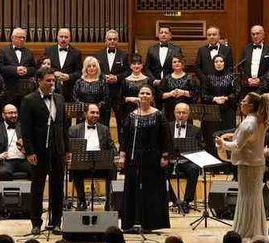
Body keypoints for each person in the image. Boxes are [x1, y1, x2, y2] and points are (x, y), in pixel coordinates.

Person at [20, 68, 71, 234]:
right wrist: (29, 152)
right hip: (39, 151)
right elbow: (26, 129)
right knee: (37, 188)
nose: (51, 83)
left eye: (53, 81)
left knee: (57, 188)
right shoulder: (29, 100)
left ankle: (56, 222)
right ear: (39, 81)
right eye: (48, 80)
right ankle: (36, 222)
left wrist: (67, 149)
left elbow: (64, 126)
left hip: (58, 150)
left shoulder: (59, 98)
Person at [117, 86, 169, 231]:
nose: (144, 95)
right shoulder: (131, 116)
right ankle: (132, 222)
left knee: (151, 190)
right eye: (142, 93)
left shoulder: (159, 115)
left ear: (152, 97)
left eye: (147, 93)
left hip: (153, 158)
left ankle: (150, 223)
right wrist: (122, 155)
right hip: (134, 157)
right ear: (138, 96)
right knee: (132, 188)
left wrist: (165, 156)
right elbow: (125, 137)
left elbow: (165, 137)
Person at [221, 93, 269, 238]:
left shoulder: (248, 123)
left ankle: (245, 229)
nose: (241, 103)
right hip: (257, 163)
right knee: (254, 197)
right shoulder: (261, 119)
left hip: (248, 164)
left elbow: (237, 146)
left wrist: (222, 143)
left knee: (246, 196)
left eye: (244, 101)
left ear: (251, 106)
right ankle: (255, 228)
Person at [70, 103, 117, 210]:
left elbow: (112, 147)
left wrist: (113, 154)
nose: (95, 115)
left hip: (101, 165)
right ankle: (81, 201)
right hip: (82, 164)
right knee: (76, 168)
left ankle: (109, 201)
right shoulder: (74, 129)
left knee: (112, 168)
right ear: (85, 114)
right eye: (92, 112)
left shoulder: (104, 129)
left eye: (97, 113)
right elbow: (70, 148)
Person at [167, 103, 204, 214]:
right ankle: (174, 200)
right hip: (170, 161)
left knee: (194, 169)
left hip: (186, 161)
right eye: (178, 112)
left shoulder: (196, 129)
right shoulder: (167, 127)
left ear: (188, 114)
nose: (181, 115)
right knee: (159, 171)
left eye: (184, 113)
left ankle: (187, 201)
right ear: (174, 113)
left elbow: (200, 147)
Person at [202, 54, 241, 155]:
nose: (219, 64)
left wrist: (226, 98)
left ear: (225, 63)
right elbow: (203, 95)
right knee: (213, 136)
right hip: (212, 112)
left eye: (221, 61)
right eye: (216, 62)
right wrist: (215, 98)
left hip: (228, 110)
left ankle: (227, 160)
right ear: (213, 64)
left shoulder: (232, 76)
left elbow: (237, 93)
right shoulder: (208, 77)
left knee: (227, 135)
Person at [0, 104, 31, 181]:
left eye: (15, 113)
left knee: (38, 170)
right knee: (3, 173)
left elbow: (32, 142)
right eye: (10, 113)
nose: (14, 115)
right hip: (5, 162)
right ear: (3, 115)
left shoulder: (23, 127)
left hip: (23, 160)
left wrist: (27, 149)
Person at [93, 29, 128, 129]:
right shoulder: (98, 55)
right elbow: (94, 71)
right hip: (102, 93)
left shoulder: (124, 55)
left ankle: (122, 140)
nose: (112, 41)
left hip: (118, 93)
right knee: (103, 122)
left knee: (121, 122)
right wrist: (104, 77)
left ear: (117, 41)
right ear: (106, 40)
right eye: (110, 39)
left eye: (114, 39)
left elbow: (128, 72)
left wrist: (117, 78)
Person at [0, 27, 38, 101]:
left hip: (26, 91)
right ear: (12, 38)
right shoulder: (3, 51)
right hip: (9, 90)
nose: (22, 39)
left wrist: (27, 70)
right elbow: (0, 68)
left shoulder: (29, 52)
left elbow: (34, 69)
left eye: (24, 38)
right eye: (20, 37)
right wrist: (15, 70)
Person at [42, 28, 82, 99]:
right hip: (51, 88)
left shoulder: (76, 53)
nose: (63, 39)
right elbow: (43, 68)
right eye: (61, 36)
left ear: (70, 38)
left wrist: (69, 76)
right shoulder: (48, 51)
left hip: (69, 90)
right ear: (57, 37)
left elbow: (79, 72)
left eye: (66, 37)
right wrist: (53, 73)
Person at [118, 54, 151, 141]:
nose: (136, 66)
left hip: (145, 110)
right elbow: (120, 99)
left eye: (138, 64)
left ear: (142, 66)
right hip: (129, 111)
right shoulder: (125, 81)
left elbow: (152, 98)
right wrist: (129, 99)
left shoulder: (148, 80)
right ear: (130, 66)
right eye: (134, 64)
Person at [159, 54, 198, 123]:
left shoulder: (190, 78)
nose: (177, 63)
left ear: (183, 64)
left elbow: (195, 94)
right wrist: (170, 94)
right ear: (171, 65)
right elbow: (159, 95)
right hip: (169, 111)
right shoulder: (166, 78)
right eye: (174, 62)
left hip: (185, 111)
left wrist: (183, 93)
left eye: (179, 61)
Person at [240, 24, 269, 93]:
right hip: (248, 86)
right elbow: (241, 67)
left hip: (265, 86)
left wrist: (261, 80)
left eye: (257, 34)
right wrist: (247, 79)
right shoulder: (246, 49)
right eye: (253, 34)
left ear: (263, 35)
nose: (255, 36)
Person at [71, 57, 109, 122]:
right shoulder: (79, 82)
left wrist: (94, 108)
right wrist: (86, 108)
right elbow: (75, 97)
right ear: (85, 68)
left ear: (97, 68)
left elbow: (106, 98)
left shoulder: (102, 82)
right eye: (89, 66)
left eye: (94, 66)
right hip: (82, 115)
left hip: (99, 115)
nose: (91, 68)